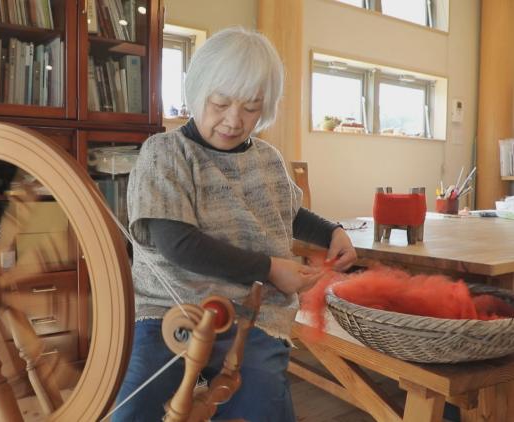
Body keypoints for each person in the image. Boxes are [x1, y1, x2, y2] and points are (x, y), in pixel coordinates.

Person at [112, 27, 357, 421]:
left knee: (262, 406)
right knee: (134, 409)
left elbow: (287, 213)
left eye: (251, 107)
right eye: (220, 103)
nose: (233, 120)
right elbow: (178, 244)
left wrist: (332, 231)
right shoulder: (164, 153)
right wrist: (271, 269)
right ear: (197, 91)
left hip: (252, 312)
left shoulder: (268, 159)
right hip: (168, 308)